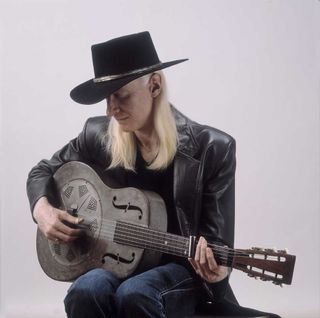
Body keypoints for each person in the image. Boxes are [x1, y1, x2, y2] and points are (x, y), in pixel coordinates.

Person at [27, 31, 280, 318]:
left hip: (181, 270)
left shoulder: (212, 148)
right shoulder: (98, 136)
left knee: (136, 293)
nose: (111, 110)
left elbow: (217, 244)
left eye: (121, 96)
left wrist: (216, 270)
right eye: (106, 99)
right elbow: (43, 171)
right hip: (118, 262)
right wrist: (42, 209)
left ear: (155, 85)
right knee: (86, 290)